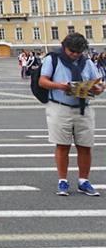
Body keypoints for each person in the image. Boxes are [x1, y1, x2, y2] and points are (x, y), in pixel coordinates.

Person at [38, 33, 104, 196]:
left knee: (85, 146)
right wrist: (61, 86)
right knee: (62, 145)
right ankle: (62, 181)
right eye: (71, 51)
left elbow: (99, 84)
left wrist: (98, 89)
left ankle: (84, 181)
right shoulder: (53, 59)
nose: (75, 54)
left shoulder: (87, 61)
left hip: (84, 108)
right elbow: (43, 81)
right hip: (60, 107)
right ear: (64, 47)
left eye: (78, 51)